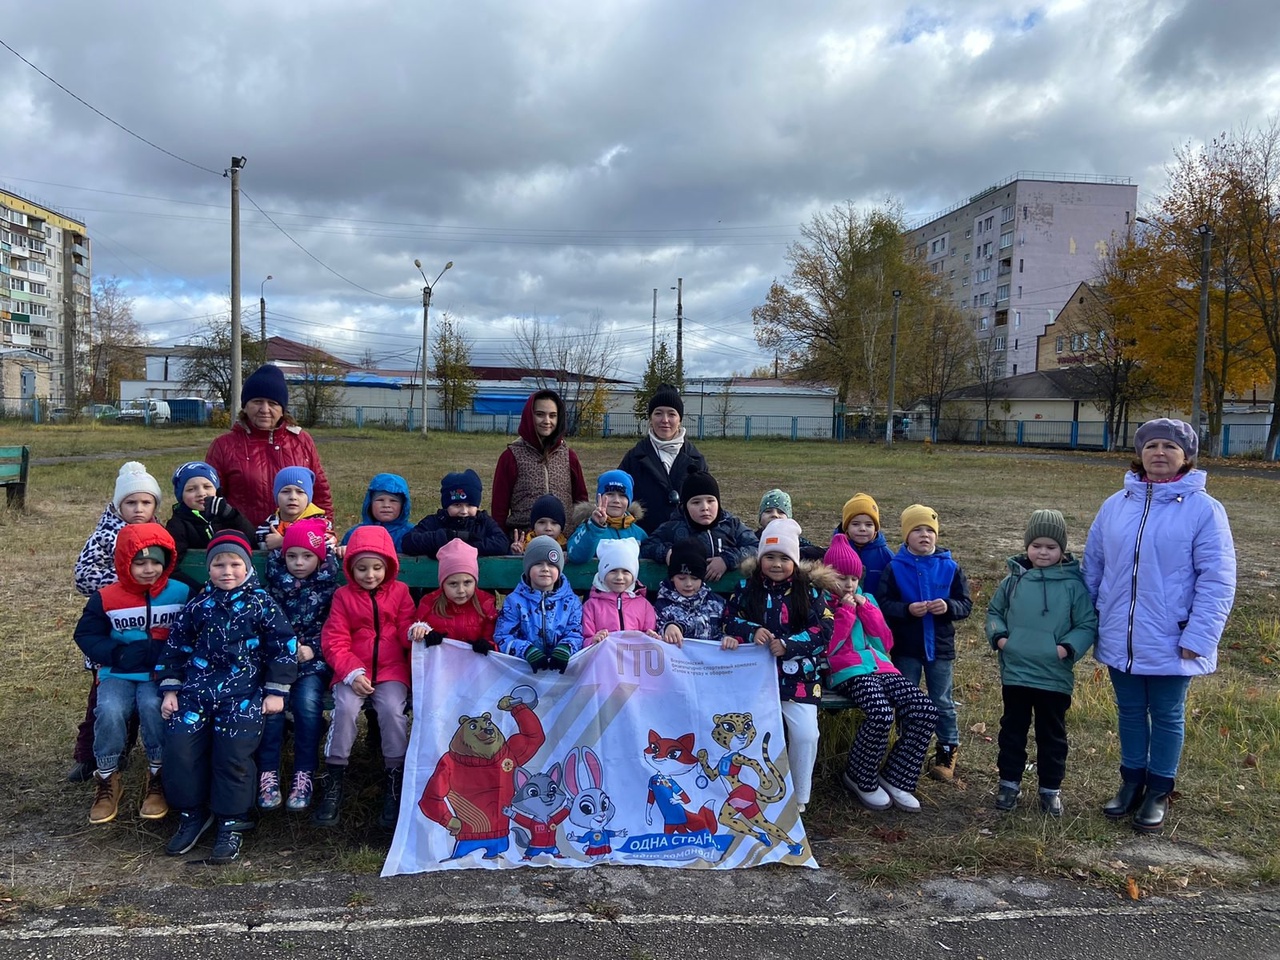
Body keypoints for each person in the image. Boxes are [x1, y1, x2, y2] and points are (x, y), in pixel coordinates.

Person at [1083, 418, 1235, 834]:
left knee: (1166, 714)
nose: (1160, 453)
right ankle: (1132, 782)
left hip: (1174, 636)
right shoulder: (1116, 504)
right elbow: (1093, 566)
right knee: (1130, 711)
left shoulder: (1205, 510)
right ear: (1140, 452)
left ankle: (1158, 790)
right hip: (1121, 633)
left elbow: (1217, 578)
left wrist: (1199, 636)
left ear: (1186, 456)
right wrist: (1089, 620)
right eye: (1152, 446)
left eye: (1170, 446)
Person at [159, 530, 297, 863]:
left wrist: (276, 690)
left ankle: (231, 820)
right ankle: (192, 813)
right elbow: (176, 647)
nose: (227, 572)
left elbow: (284, 646)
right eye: (219, 565)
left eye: (235, 564)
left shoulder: (261, 604)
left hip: (243, 694)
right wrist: (171, 688)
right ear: (209, 569)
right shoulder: (198, 607)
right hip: (196, 692)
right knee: (179, 744)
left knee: (233, 751)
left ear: (247, 567)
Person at [73, 524, 190, 824]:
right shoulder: (107, 597)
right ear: (125, 562)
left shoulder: (182, 591)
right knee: (110, 709)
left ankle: (157, 775)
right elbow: (86, 634)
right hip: (119, 672)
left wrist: (175, 656)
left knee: (154, 708)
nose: (148, 569)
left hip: (160, 675)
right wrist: (116, 652)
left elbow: (195, 627)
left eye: (155, 562)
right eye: (140, 562)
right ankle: (108, 777)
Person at [987, 510, 1098, 817]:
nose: (1043, 552)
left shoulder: (1073, 586)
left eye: (1050, 546)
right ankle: (1009, 783)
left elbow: (1087, 623)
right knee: (1012, 730)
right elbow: (994, 613)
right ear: (1027, 546)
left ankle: (1050, 789)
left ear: (1062, 549)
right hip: (1017, 673)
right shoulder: (1012, 582)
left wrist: (1065, 648)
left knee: (1052, 734)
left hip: (1053, 675)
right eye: (1037, 545)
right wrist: (1001, 640)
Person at [724, 518, 835, 814]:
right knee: (751, 732)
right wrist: (750, 630)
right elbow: (728, 618)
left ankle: (800, 797)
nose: (776, 564)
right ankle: (751, 789)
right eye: (769, 557)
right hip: (753, 677)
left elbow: (824, 629)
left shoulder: (808, 592)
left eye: (784, 558)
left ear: (794, 561)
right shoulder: (747, 588)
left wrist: (789, 645)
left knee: (806, 733)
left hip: (798, 677)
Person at [824, 534, 937, 813]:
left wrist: (868, 611)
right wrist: (846, 614)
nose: (848, 584)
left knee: (925, 710)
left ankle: (897, 776)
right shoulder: (822, 604)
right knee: (881, 712)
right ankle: (860, 776)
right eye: (840, 578)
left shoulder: (868, 598)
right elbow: (829, 647)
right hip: (848, 670)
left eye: (853, 578)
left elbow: (885, 642)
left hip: (882, 666)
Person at [314, 525, 418, 830]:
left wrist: (414, 635)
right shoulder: (343, 597)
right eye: (362, 568)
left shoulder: (399, 593)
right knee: (345, 709)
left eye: (377, 567)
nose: (370, 575)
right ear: (350, 568)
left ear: (388, 566)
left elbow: (404, 628)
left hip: (391, 670)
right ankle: (334, 778)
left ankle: (394, 780)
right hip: (352, 670)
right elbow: (334, 640)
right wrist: (350, 671)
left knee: (392, 711)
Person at [68, 461, 163, 783]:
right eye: (130, 503)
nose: (138, 509)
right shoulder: (106, 534)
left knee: (145, 696)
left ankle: (140, 754)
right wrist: (126, 584)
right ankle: (91, 756)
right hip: (115, 628)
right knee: (103, 701)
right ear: (117, 504)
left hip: (150, 631)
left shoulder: (157, 534)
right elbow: (83, 576)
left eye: (146, 502)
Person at [877, 504, 973, 783]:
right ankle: (907, 751)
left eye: (929, 530)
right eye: (917, 530)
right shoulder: (895, 568)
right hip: (906, 647)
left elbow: (966, 604)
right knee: (906, 699)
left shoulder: (951, 567)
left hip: (940, 648)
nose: (924, 535)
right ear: (906, 536)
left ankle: (946, 752)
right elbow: (883, 604)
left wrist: (948, 606)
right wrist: (907, 610)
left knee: (942, 700)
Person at [258, 518, 340, 813]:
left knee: (307, 704)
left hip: (312, 664)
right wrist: (281, 651)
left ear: (319, 559)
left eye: (307, 556)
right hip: (275, 663)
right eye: (291, 555)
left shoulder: (329, 589)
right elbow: (263, 625)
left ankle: (303, 773)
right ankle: (268, 773)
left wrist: (313, 649)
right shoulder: (273, 587)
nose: (298, 563)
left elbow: (336, 627)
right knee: (272, 709)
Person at [205, 363, 333, 528]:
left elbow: (321, 493)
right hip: (240, 543)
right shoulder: (223, 446)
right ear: (245, 406)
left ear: (282, 409)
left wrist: (326, 532)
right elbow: (209, 497)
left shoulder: (302, 441)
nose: (264, 409)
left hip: (295, 544)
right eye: (257, 401)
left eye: (272, 403)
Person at [490, 389, 588, 536]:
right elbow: (499, 507)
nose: (547, 421)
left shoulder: (569, 456)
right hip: (524, 543)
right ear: (530, 416)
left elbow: (581, 500)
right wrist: (501, 540)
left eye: (552, 415)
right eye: (540, 414)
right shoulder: (511, 456)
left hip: (564, 542)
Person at [617, 384, 708, 534]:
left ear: (680, 420)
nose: (664, 420)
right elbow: (618, 498)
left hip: (686, 542)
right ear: (650, 418)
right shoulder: (633, 458)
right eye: (658, 413)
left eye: (671, 414)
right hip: (643, 539)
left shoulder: (696, 460)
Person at [640, 471, 758, 582]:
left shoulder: (732, 525)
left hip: (726, 597)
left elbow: (756, 546)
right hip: (685, 593)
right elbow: (647, 546)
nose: (705, 507)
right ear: (685, 506)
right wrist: (667, 553)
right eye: (696, 502)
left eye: (710, 501)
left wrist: (727, 560)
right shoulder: (673, 527)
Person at [495, 536, 584, 672]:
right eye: (538, 564)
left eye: (551, 565)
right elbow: (503, 636)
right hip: (524, 669)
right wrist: (526, 650)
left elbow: (575, 632)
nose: (545, 569)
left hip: (560, 671)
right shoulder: (514, 601)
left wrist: (565, 648)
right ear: (528, 568)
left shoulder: (571, 602)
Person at [412, 538, 499, 653]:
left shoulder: (485, 606)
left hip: (475, 668)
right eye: (453, 584)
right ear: (443, 584)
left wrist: (490, 646)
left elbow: (495, 637)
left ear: (475, 582)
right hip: (441, 668)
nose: (461, 590)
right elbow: (413, 639)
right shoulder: (429, 605)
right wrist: (425, 637)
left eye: (467, 582)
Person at [166, 462, 256, 569]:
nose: (201, 493)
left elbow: (252, 540)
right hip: (197, 579)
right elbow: (172, 562)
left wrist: (231, 515)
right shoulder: (178, 523)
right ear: (181, 495)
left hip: (232, 577)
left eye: (207, 486)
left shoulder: (226, 515)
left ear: (216, 490)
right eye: (191, 489)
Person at [401, 469, 509, 558]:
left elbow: (502, 543)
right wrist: (447, 537)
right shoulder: (435, 521)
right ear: (446, 505)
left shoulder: (483, 521)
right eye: (457, 505)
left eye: (470, 505)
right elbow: (409, 542)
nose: (464, 511)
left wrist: (466, 547)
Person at [653, 538, 735, 649]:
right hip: (679, 662)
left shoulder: (716, 603)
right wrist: (667, 627)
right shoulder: (662, 605)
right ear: (672, 577)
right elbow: (654, 630)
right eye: (681, 578)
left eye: (695, 578)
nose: (688, 584)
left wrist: (728, 638)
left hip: (711, 661)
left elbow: (727, 626)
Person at [581, 539, 658, 644]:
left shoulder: (644, 606)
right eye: (612, 571)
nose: (619, 577)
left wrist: (652, 637)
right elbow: (585, 639)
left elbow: (650, 635)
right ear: (603, 573)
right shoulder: (591, 606)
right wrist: (592, 641)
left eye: (626, 571)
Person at [566, 469, 647, 564]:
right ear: (599, 498)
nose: (616, 500)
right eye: (610, 494)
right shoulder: (588, 528)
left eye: (622, 495)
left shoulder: (639, 534)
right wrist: (595, 527)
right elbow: (575, 556)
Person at [255, 466, 332, 551]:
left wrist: (284, 541)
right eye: (285, 491)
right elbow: (260, 546)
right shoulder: (271, 522)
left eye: (300, 492)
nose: (292, 497)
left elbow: (328, 542)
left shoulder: (319, 522)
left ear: (309, 498)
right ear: (276, 496)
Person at [838, 493, 895, 598]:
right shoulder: (836, 553)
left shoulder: (886, 556)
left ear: (876, 528)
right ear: (846, 527)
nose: (862, 528)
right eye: (855, 524)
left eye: (869, 524)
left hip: (875, 610)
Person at [340, 473, 414, 552]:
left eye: (393, 501)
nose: (386, 505)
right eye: (380, 500)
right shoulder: (355, 534)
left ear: (403, 506)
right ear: (370, 503)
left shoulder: (411, 534)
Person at [755, 489, 824, 561]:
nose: (775, 515)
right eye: (768, 511)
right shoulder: (753, 539)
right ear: (760, 518)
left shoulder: (798, 542)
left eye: (781, 512)